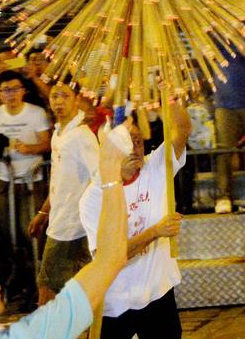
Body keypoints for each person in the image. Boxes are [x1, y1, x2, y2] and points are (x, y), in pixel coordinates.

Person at [0, 124, 129, 339]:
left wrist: (43, 212)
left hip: (72, 225)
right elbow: (112, 258)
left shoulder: (78, 135)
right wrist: (111, 170)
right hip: (64, 226)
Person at [79, 98, 189, 339]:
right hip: (115, 300)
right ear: (108, 153)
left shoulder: (154, 168)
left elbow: (181, 129)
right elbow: (108, 257)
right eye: (125, 144)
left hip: (157, 292)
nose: (134, 149)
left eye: (138, 142)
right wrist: (155, 232)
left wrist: (166, 95)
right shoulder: (94, 197)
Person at [28, 83, 98, 305]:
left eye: (64, 96)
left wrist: (89, 214)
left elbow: (99, 177)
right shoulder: (59, 134)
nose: (58, 101)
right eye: (54, 96)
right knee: (81, 283)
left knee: (47, 286)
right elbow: (59, 181)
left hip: (71, 224)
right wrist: (43, 212)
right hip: (62, 219)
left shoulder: (82, 136)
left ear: (76, 99)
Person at [0, 70, 52, 305]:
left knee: (32, 232)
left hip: (32, 179)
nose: (11, 94)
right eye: (6, 90)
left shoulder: (35, 113)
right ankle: (15, 282)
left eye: (15, 89)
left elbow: (47, 144)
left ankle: (37, 284)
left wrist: (31, 148)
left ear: (23, 90)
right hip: (4, 179)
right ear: (0, 93)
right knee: (6, 230)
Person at [211, 25, 245, 214]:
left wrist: (233, 33)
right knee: (224, 151)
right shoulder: (211, 31)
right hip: (224, 103)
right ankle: (224, 195)